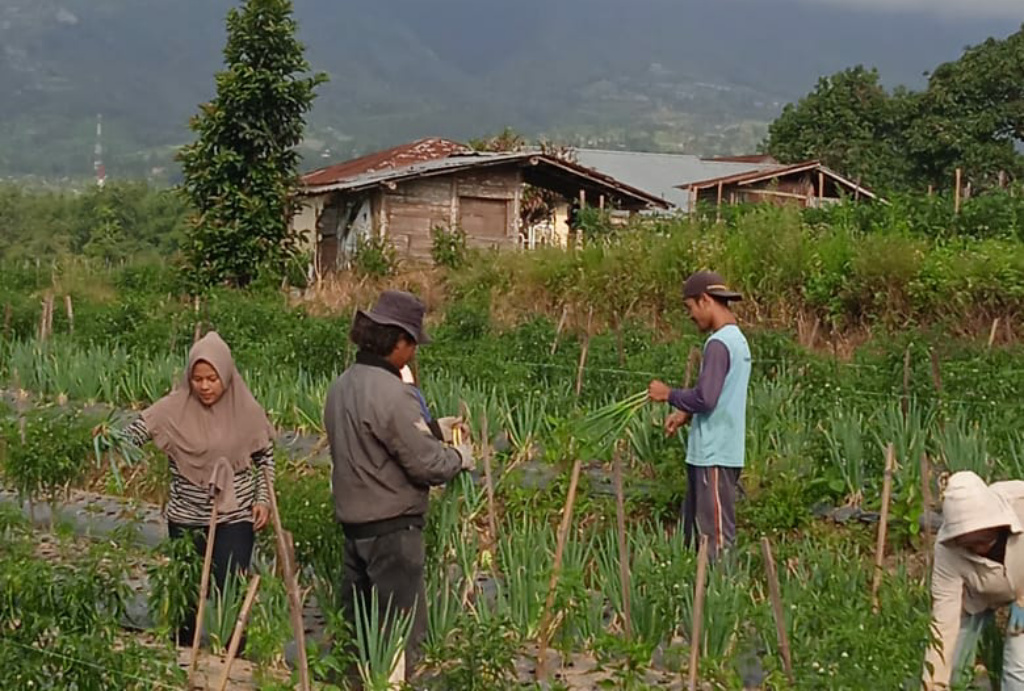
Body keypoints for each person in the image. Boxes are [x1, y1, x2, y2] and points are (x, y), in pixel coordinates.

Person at [324, 290, 474, 681]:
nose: (413, 354)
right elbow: (427, 465)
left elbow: (373, 439)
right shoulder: (393, 393)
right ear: (399, 342)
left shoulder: (343, 385)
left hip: (355, 527)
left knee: (358, 633)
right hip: (392, 529)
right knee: (398, 635)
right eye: (412, 344)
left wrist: (433, 429)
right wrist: (459, 458)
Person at [118, 331, 275, 645]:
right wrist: (110, 443)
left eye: (212, 379)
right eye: (198, 379)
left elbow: (265, 457)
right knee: (186, 590)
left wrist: (263, 499)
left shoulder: (246, 410)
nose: (204, 387)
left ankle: (231, 655)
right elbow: (131, 434)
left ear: (226, 376)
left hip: (235, 515)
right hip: (186, 517)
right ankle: (184, 651)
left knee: (230, 585)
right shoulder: (172, 408)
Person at [648, 270, 751, 560]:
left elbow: (706, 398)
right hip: (717, 452)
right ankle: (701, 596)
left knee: (716, 538)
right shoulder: (737, 340)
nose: (691, 316)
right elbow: (721, 397)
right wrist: (685, 413)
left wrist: (668, 394)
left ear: (705, 300)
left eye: (690, 308)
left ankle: (721, 596)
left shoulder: (719, 344)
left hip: (714, 454)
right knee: (700, 535)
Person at [923, 471, 1024, 690]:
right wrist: (935, 682)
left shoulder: (1020, 503)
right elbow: (944, 620)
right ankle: (979, 677)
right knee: (955, 673)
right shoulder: (946, 550)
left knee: (1019, 666)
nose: (979, 548)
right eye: (969, 544)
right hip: (978, 596)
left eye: (984, 539)